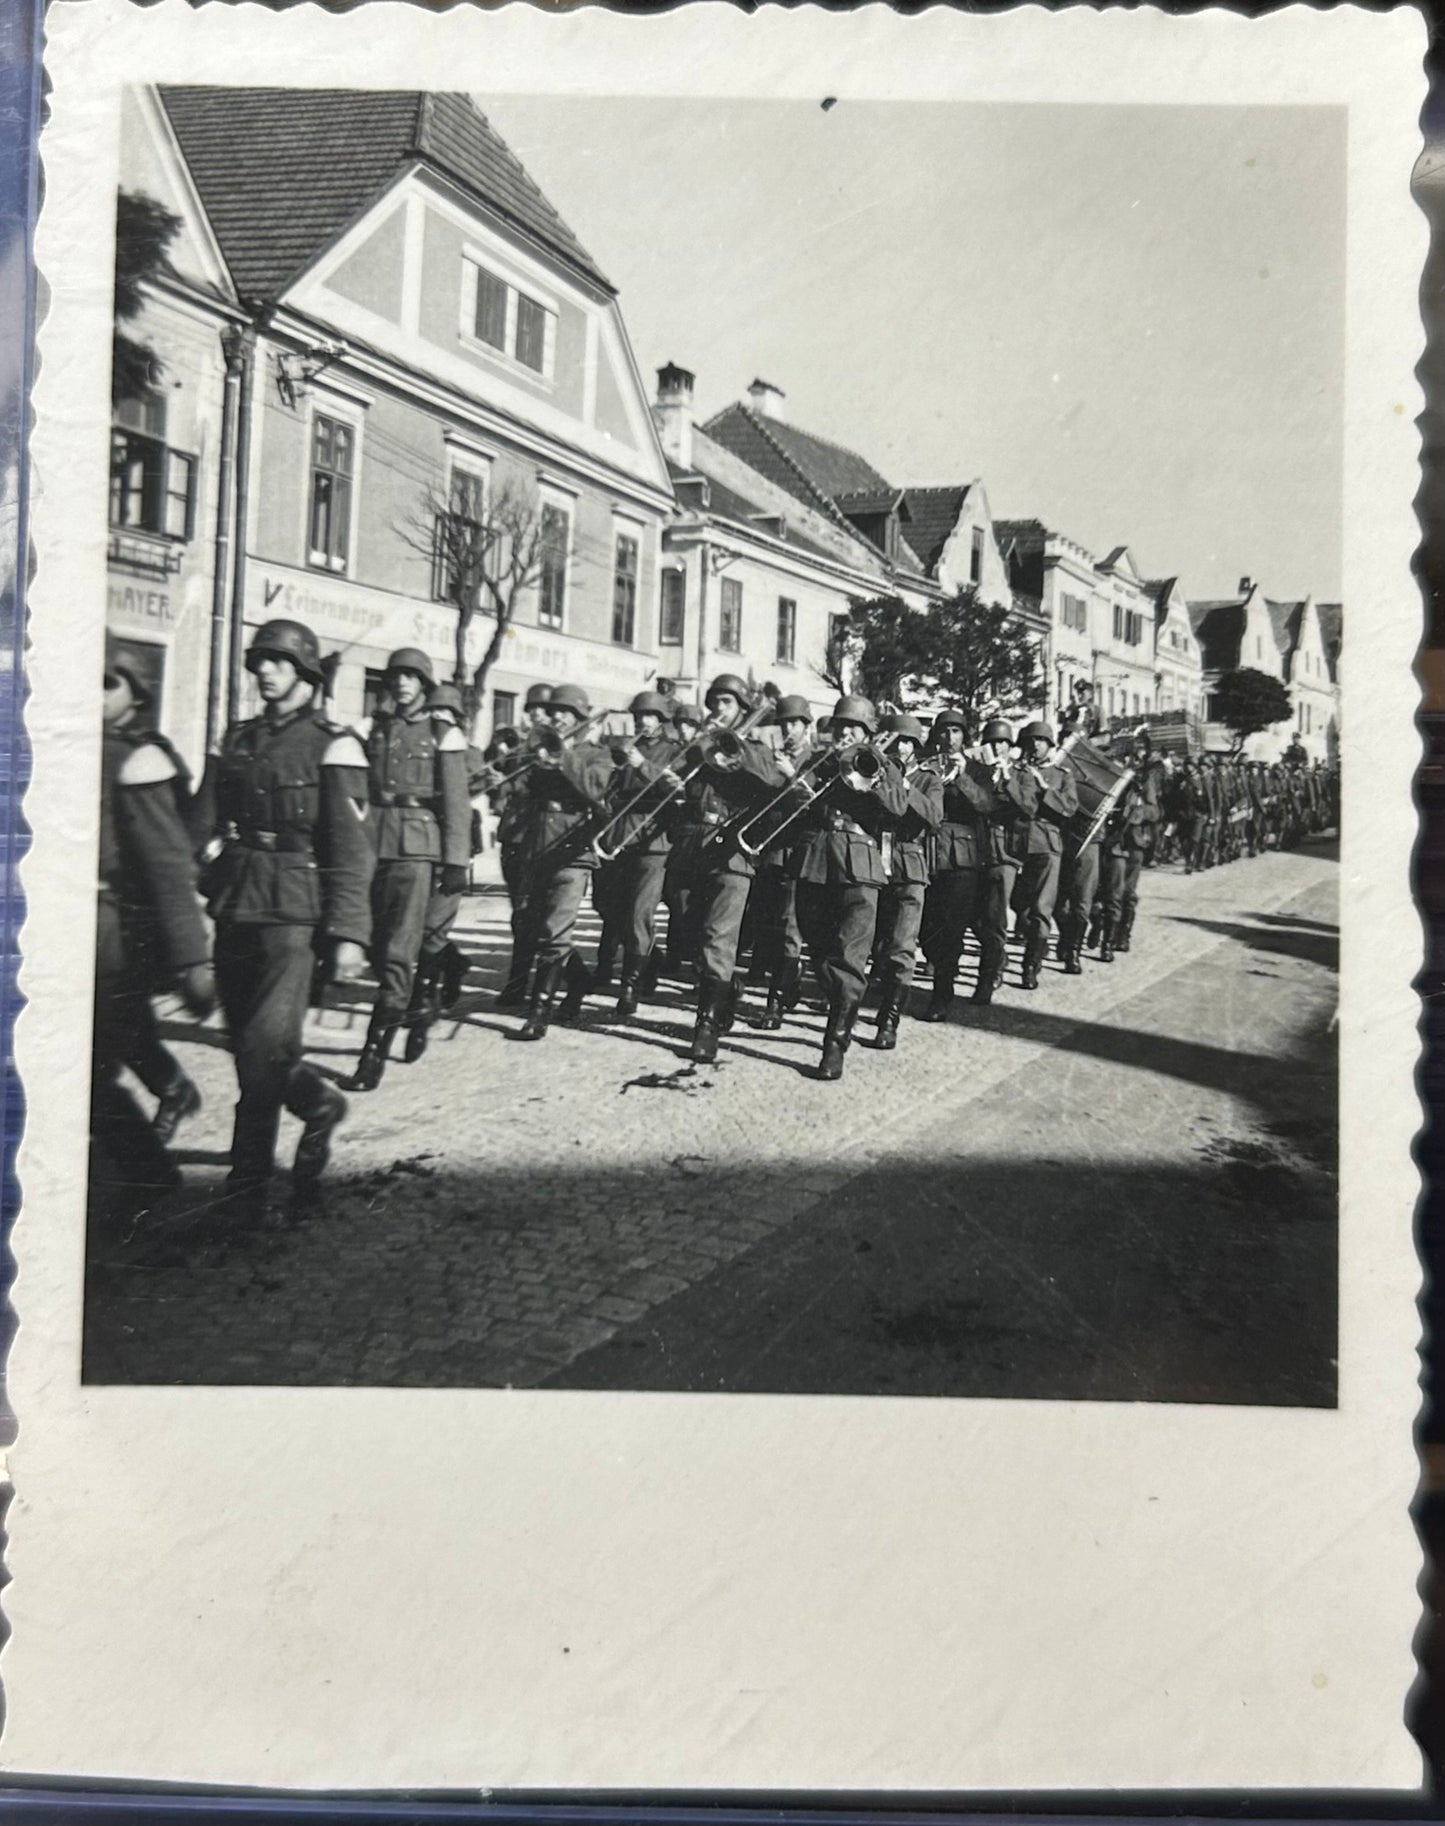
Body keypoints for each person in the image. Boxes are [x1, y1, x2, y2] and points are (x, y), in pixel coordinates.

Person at [192, 619, 374, 1201]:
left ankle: (245, 1185)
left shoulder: (333, 743)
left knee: (265, 1046)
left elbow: (349, 850)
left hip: (295, 910)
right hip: (236, 902)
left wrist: (349, 934)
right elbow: (201, 821)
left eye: (276, 661)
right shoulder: (238, 739)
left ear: (304, 672)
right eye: (259, 662)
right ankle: (320, 1103)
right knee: (247, 1043)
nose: (264, 671)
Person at [92, 641, 215, 1211]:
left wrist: (192, 960)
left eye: (106, 683)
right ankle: (166, 1104)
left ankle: (148, 1177)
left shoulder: (141, 756)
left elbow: (170, 862)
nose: (93, 695)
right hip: (73, 930)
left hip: (111, 933)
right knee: (116, 1039)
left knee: (91, 1063)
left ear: (136, 695)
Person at [345, 649, 471, 1092]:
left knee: (399, 949)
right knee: (379, 946)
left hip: (418, 848)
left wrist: (456, 860)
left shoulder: (442, 734)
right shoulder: (374, 728)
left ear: (424, 684)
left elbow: (457, 803)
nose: (401, 684)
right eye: (395, 677)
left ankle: (372, 1054)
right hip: (373, 842)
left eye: (411, 677)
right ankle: (418, 1007)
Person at [789, 697, 909, 1080]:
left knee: (850, 958)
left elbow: (898, 810)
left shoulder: (882, 764)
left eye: (853, 729)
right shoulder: (818, 761)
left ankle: (834, 1046)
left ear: (868, 733)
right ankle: (846, 1003)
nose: (845, 734)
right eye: (840, 727)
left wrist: (870, 780)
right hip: (816, 861)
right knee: (819, 952)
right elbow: (792, 801)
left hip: (860, 865)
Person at [671, 674, 782, 1065]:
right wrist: (697, 747)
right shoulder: (697, 744)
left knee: (718, 937)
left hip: (732, 852)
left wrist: (738, 753)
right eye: (715, 701)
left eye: (728, 703)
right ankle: (728, 987)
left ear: (742, 711)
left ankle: (706, 1026)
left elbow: (772, 779)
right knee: (690, 932)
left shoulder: (754, 748)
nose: (719, 708)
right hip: (691, 847)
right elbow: (673, 781)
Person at [511, 683, 615, 1041]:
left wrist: (564, 756)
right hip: (538, 846)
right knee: (535, 925)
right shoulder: (540, 751)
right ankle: (580, 980)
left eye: (566, 715)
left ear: (581, 720)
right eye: (555, 715)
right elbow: (519, 792)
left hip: (573, 850)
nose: (558, 720)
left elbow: (596, 790)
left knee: (555, 930)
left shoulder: (596, 755)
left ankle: (539, 1011)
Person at [919, 713, 1025, 1017]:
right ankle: (939, 972)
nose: (949, 738)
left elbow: (986, 805)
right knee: (928, 928)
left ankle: (944, 994)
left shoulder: (978, 769)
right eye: (944, 731)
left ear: (965, 736)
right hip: (927, 853)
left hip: (963, 857)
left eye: (956, 732)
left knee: (955, 928)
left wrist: (963, 776)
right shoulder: (927, 765)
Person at [401, 681, 483, 1062]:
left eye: (446, 714)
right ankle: (454, 964)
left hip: (450, 847)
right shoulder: (417, 743)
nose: (438, 719)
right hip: (414, 844)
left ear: (458, 720)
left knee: (433, 926)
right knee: (413, 925)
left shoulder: (468, 753)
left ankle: (421, 1003)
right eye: (433, 712)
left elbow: (466, 800)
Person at [597, 690, 683, 1018]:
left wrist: (642, 765)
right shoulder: (625, 747)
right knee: (609, 906)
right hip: (620, 834)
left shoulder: (673, 750)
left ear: (661, 720)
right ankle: (652, 957)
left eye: (648, 716)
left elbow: (676, 788)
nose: (641, 721)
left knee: (638, 912)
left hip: (653, 839)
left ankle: (629, 985)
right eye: (637, 716)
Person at [741, 693, 815, 1030]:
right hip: (770, 851)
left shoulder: (818, 760)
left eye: (795, 724)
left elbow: (811, 804)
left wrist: (790, 776)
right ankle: (789, 982)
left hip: (800, 853)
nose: (789, 729)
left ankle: (773, 1005)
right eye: (784, 723)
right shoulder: (773, 755)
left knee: (789, 928)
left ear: (806, 727)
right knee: (769, 926)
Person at [869, 712, 943, 1046]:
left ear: (914, 747)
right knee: (873, 942)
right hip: (872, 861)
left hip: (909, 866)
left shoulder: (929, 778)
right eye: (892, 741)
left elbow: (934, 816)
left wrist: (904, 784)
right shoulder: (874, 771)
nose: (898, 748)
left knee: (902, 946)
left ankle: (889, 1019)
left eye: (905, 742)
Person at [492, 683, 554, 1005]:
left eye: (540, 712)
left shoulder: (553, 751)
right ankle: (521, 979)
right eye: (530, 711)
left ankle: (521, 983)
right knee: (520, 913)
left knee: (533, 913)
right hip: (512, 837)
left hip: (537, 837)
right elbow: (502, 792)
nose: (534, 717)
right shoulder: (518, 750)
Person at [1011, 721, 1079, 991]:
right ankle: (1036, 943)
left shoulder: (1062, 774)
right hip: (1016, 844)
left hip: (1047, 846)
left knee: (1042, 908)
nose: (1035, 745)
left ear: (1050, 745)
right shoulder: (1016, 772)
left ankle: (1030, 966)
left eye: (1041, 740)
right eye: (1031, 740)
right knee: (1017, 903)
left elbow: (1069, 808)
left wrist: (1044, 787)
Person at [1096, 730, 1160, 957]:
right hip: (1111, 840)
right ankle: (1104, 933)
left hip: (1133, 842)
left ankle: (1121, 936)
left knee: (1127, 893)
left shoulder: (1143, 780)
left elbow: (1154, 810)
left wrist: (1139, 812)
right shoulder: (1108, 778)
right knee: (1109, 891)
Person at [661, 700, 706, 977]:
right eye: (680, 725)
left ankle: (696, 961)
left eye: (689, 725)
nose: (684, 730)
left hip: (698, 832)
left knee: (697, 902)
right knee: (675, 898)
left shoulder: (703, 754)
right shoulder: (677, 753)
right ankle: (675, 953)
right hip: (679, 835)